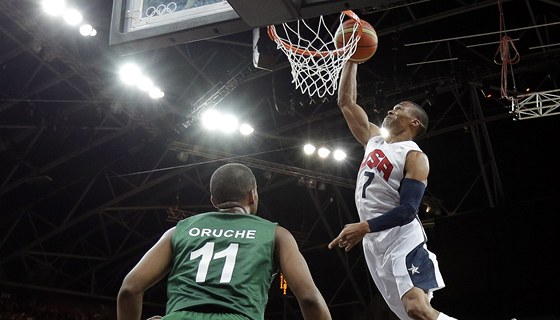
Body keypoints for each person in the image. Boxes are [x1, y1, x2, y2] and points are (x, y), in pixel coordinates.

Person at [118, 163, 331, 320]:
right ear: (252, 196)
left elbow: (129, 289)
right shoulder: (277, 234)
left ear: (213, 201)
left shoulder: (178, 231)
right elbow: (310, 300)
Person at [328, 61, 457, 320]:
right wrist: (352, 61)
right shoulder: (373, 139)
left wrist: (363, 227)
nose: (390, 109)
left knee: (416, 308)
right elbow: (346, 103)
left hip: (402, 237)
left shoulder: (415, 157)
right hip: (374, 242)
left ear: (414, 122)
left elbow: (408, 211)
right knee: (411, 317)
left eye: (399, 109)